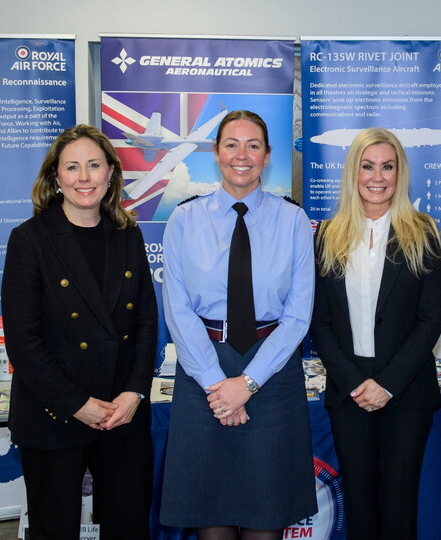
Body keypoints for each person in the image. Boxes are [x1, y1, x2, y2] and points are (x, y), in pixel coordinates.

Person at [159, 110, 317, 540]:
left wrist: (246, 384)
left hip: (272, 371)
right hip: (203, 370)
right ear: (216, 153)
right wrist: (218, 384)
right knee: (211, 518)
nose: (241, 155)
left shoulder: (294, 221)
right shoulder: (184, 220)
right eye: (231, 144)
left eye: (253, 146)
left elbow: (299, 314)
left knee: (267, 519)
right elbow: (178, 310)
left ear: (267, 156)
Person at [0, 124, 157, 539]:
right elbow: (23, 340)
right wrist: (76, 403)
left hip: (121, 413)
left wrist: (134, 392)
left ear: (111, 174)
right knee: (55, 531)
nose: (84, 178)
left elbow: (145, 321)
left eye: (94, 165)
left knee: (129, 527)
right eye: (73, 167)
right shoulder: (29, 240)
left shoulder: (129, 235)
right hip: (53, 415)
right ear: (56, 177)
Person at [310, 128, 441, 539]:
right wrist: (355, 383)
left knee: (401, 504)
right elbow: (319, 322)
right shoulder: (327, 236)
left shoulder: (423, 232)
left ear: (400, 173)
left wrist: (386, 384)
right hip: (348, 390)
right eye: (368, 166)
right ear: (353, 171)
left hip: (405, 389)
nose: (378, 176)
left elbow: (429, 323)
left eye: (388, 166)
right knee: (360, 503)